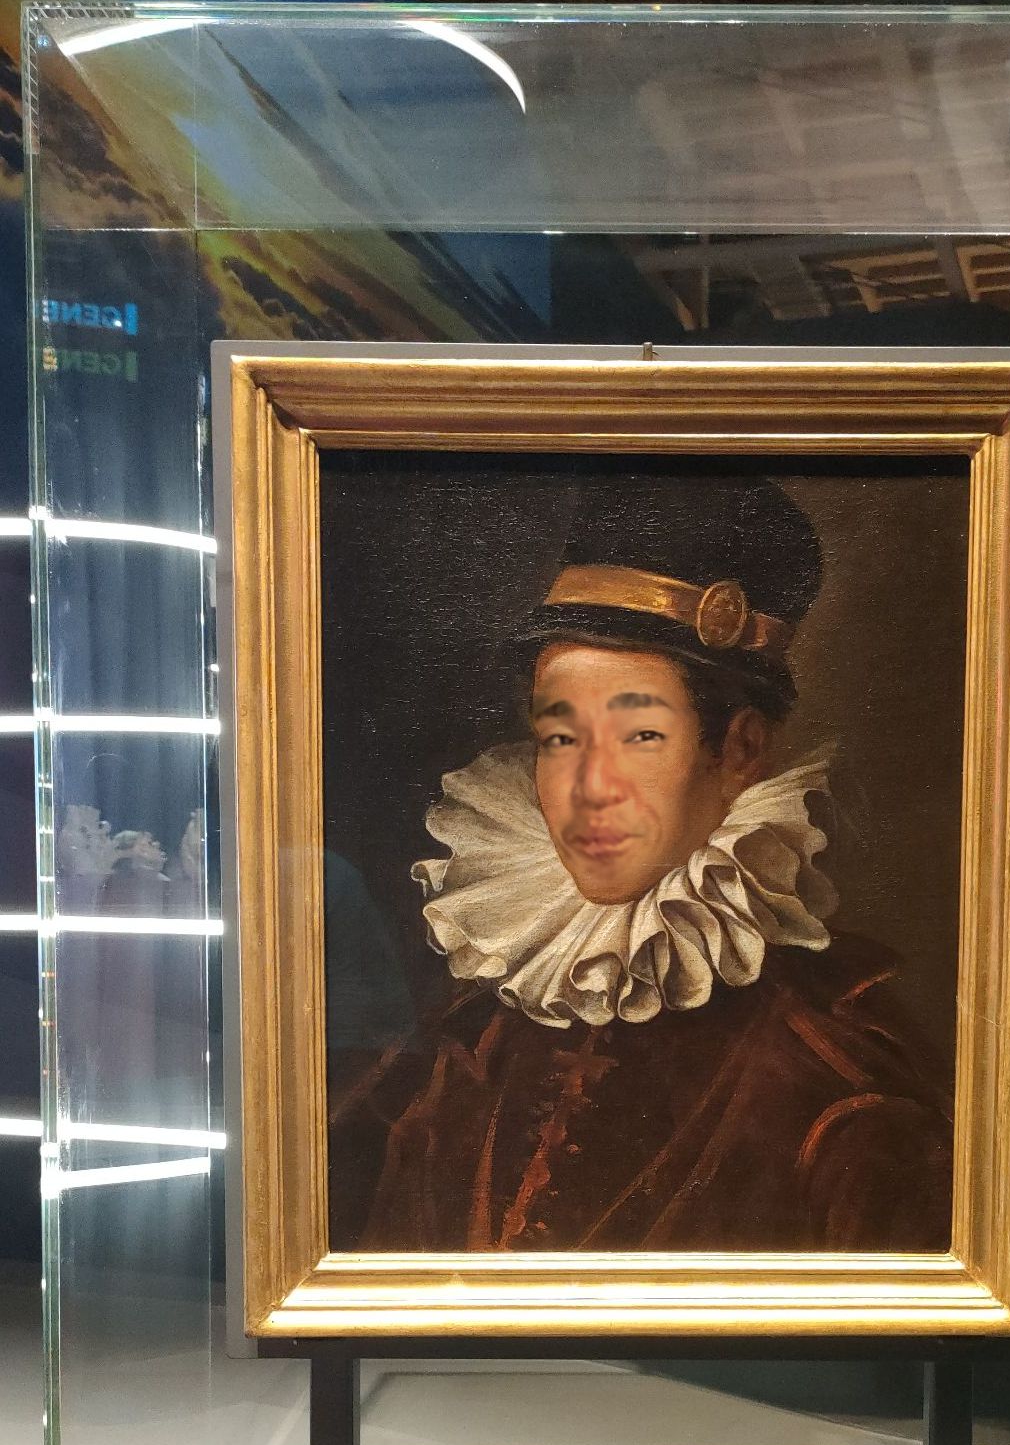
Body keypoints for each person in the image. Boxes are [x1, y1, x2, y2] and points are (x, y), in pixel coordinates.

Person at [329, 474, 953, 1255]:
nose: (589, 787)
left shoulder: (837, 1083)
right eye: (560, 737)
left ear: (740, 751)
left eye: (641, 736)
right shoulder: (474, 1042)